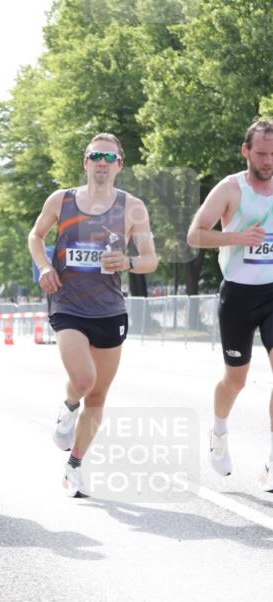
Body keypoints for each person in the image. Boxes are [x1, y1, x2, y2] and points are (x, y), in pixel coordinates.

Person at [28, 132, 157, 498]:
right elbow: (35, 236)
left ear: (119, 164)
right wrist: (42, 267)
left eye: (109, 157)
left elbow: (149, 260)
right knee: (83, 380)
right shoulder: (62, 200)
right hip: (67, 303)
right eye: (96, 155)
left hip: (109, 309)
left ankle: (75, 465)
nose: (102, 162)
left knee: (98, 397)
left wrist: (129, 261)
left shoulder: (133, 207)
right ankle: (68, 408)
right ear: (85, 161)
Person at [187, 117, 273, 491]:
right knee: (235, 379)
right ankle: (219, 429)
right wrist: (238, 236)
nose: (268, 160)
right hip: (237, 295)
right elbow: (194, 236)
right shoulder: (230, 189)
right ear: (246, 151)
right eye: (261, 153)